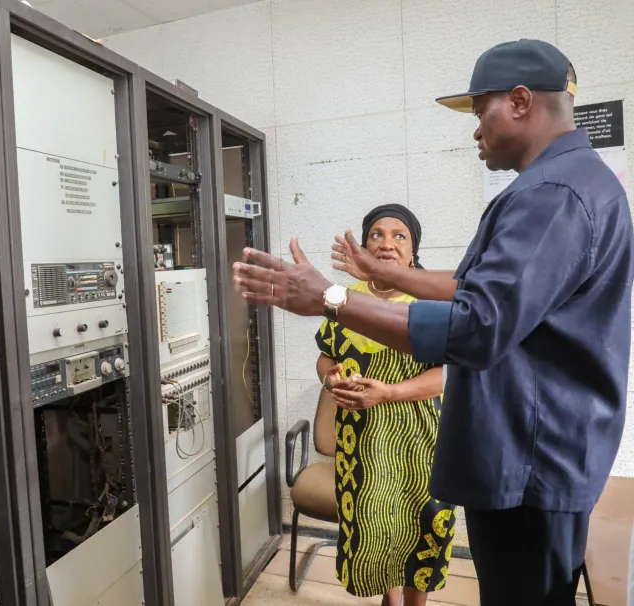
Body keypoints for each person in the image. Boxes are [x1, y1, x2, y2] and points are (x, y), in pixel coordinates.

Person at [232, 39, 634, 606]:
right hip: (532, 458)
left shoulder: (553, 193)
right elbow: (478, 286)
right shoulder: (567, 184)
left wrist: (330, 296)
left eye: (479, 113)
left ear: (520, 101)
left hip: (530, 466)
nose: (475, 132)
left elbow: (475, 325)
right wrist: (376, 278)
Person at [316, 204, 453, 606]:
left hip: (420, 442)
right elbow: (326, 353)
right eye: (376, 234)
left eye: (399, 236)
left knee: (422, 528)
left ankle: (415, 603)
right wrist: (330, 376)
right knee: (376, 528)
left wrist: (388, 392)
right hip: (361, 445)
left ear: (413, 250)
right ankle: (390, 599)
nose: (387, 243)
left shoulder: (431, 298)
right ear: (362, 246)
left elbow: (452, 373)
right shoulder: (344, 299)